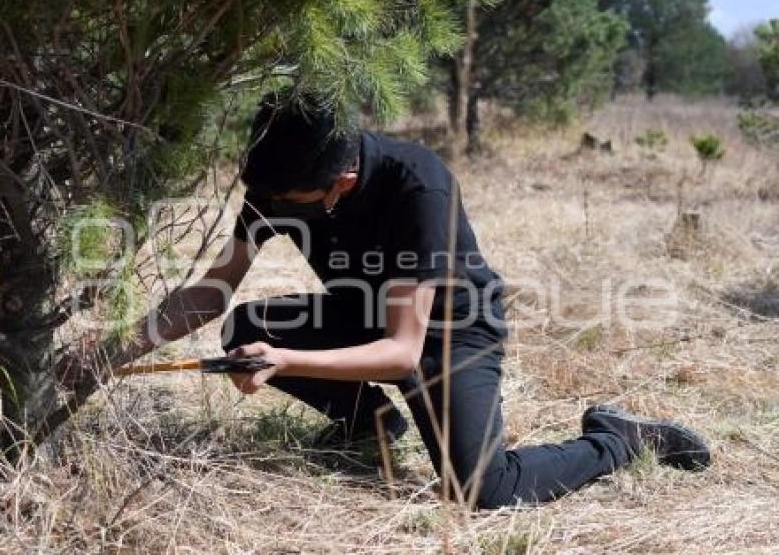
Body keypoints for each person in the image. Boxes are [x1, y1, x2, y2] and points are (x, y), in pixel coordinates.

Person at [124, 92, 711, 509]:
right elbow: (214, 288)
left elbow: (404, 352)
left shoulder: (418, 186)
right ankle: (370, 426)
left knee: (483, 490)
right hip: (364, 312)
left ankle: (619, 439)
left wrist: (285, 362)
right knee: (246, 325)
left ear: (342, 183)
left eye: (287, 197)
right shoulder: (282, 176)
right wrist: (120, 347)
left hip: (450, 333)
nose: (270, 203)